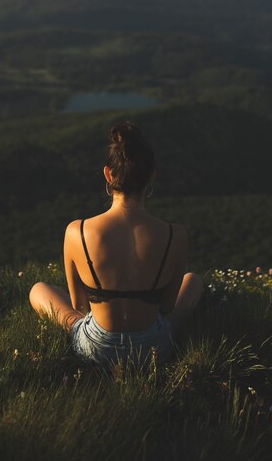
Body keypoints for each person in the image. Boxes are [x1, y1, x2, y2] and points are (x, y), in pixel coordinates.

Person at [29, 121, 203, 370]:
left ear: (108, 174)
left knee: (39, 290)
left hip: (95, 349)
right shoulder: (175, 234)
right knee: (194, 280)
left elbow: (79, 305)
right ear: (151, 176)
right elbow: (166, 307)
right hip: (154, 349)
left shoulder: (76, 230)